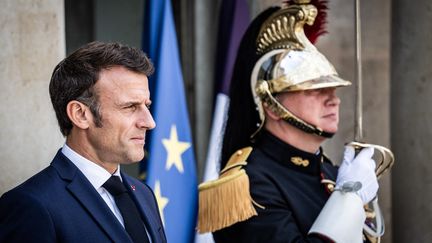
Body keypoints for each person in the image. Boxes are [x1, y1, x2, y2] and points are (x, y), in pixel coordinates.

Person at [198, 1, 380, 242]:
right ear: (271, 105)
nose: (333, 100)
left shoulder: (332, 173)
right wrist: (349, 197)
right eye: (313, 90)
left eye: (333, 89)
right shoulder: (248, 184)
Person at [0, 41, 167, 243]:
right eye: (130, 107)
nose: (149, 122)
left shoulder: (144, 194)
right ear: (80, 114)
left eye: (146, 106)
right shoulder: (32, 205)